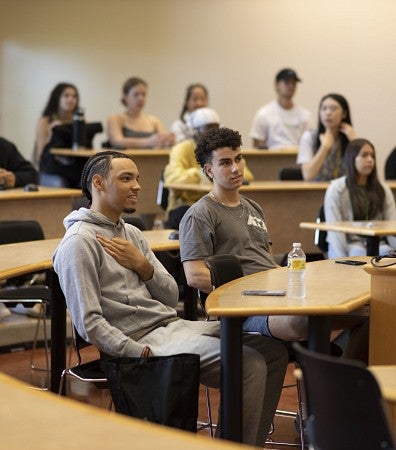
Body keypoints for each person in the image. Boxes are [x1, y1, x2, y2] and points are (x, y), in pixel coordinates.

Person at [52, 150, 288, 446]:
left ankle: (246, 441)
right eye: (126, 178)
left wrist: (143, 265)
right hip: (143, 341)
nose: (137, 185)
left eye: (137, 178)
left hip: (172, 326)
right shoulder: (78, 244)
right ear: (98, 183)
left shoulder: (132, 234)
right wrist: (136, 350)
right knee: (248, 363)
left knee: (274, 351)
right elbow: (89, 323)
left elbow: (169, 294)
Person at [179, 127, 368, 361]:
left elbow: (266, 261)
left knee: (370, 314)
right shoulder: (199, 214)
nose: (236, 168)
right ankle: (329, 382)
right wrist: (250, 292)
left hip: (277, 298)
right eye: (225, 163)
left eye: (239, 159)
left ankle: (341, 381)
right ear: (209, 170)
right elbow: (195, 276)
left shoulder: (253, 207)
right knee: (305, 321)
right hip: (244, 311)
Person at [164, 107, 254, 229]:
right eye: (207, 128)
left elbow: (247, 175)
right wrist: (198, 175)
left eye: (215, 127)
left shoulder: (224, 151)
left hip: (219, 203)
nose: (212, 132)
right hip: (185, 205)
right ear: (195, 130)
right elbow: (172, 178)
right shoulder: (182, 149)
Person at [324, 138, 396, 258]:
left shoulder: (383, 189)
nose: (370, 160)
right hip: (350, 245)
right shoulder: (336, 189)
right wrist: (340, 260)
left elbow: (392, 224)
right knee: (358, 254)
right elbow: (335, 232)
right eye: (364, 155)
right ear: (352, 159)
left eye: (372, 156)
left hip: (378, 244)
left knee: (387, 254)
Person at [0, 137, 39, 320]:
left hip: (7, 210)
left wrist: (14, 178)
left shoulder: (4, 146)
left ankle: (15, 288)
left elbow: (31, 174)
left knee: (26, 230)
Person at [35, 82, 87, 188]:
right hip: (51, 170)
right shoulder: (45, 121)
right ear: (57, 98)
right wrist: (51, 133)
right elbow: (40, 155)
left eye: (74, 96)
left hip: (74, 169)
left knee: (87, 184)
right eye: (66, 95)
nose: (70, 99)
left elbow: (85, 150)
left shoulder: (81, 121)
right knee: (59, 183)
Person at [297, 93, 357, 181]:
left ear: (344, 114)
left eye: (333, 109)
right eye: (324, 108)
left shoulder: (350, 137)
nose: (328, 112)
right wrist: (324, 147)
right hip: (315, 192)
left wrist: (355, 142)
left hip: (343, 192)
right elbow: (307, 176)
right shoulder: (309, 137)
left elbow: (366, 173)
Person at [249, 68, 311, 150]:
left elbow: (308, 146)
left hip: (297, 160)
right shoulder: (263, 114)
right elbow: (256, 146)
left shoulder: (305, 115)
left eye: (294, 83)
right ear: (276, 85)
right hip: (270, 160)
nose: (291, 86)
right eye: (287, 82)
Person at [106, 77, 174, 149]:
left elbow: (163, 138)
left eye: (143, 94)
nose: (140, 98)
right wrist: (148, 141)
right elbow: (117, 141)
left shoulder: (153, 120)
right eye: (136, 94)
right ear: (125, 97)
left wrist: (168, 140)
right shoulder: (115, 119)